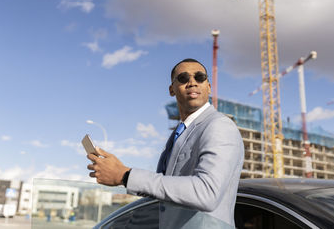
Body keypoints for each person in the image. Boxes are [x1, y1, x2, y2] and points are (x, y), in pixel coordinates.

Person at [87, 58, 244, 228]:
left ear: (209, 87)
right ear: (171, 90)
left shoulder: (219, 125)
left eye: (200, 77)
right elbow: (168, 191)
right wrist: (118, 173)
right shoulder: (179, 133)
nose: (192, 82)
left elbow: (207, 192)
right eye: (183, 78)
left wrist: (125, 175)